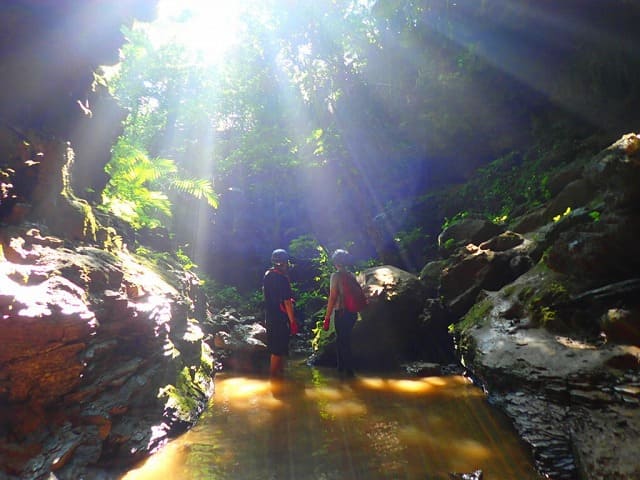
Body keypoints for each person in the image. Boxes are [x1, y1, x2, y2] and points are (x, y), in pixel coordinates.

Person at [263, 248, 298, 378]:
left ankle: (280, 377)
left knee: (278, 349)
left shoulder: (267, 275)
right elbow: (287, 302)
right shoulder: (282, 279)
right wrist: (293, 321)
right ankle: (274, 379)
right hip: (280, 319)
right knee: (278, 351)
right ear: (284, 263)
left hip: (270, 317)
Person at [323, 249, 357, 377]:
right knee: (345, 340)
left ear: (336, 262)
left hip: (341, 312)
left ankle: (346, 371)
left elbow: (332, 297)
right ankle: (343, 369)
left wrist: (327, 318)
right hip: (352, 313)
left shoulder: (335, 276)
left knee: (342, 341)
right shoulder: (351, 275)